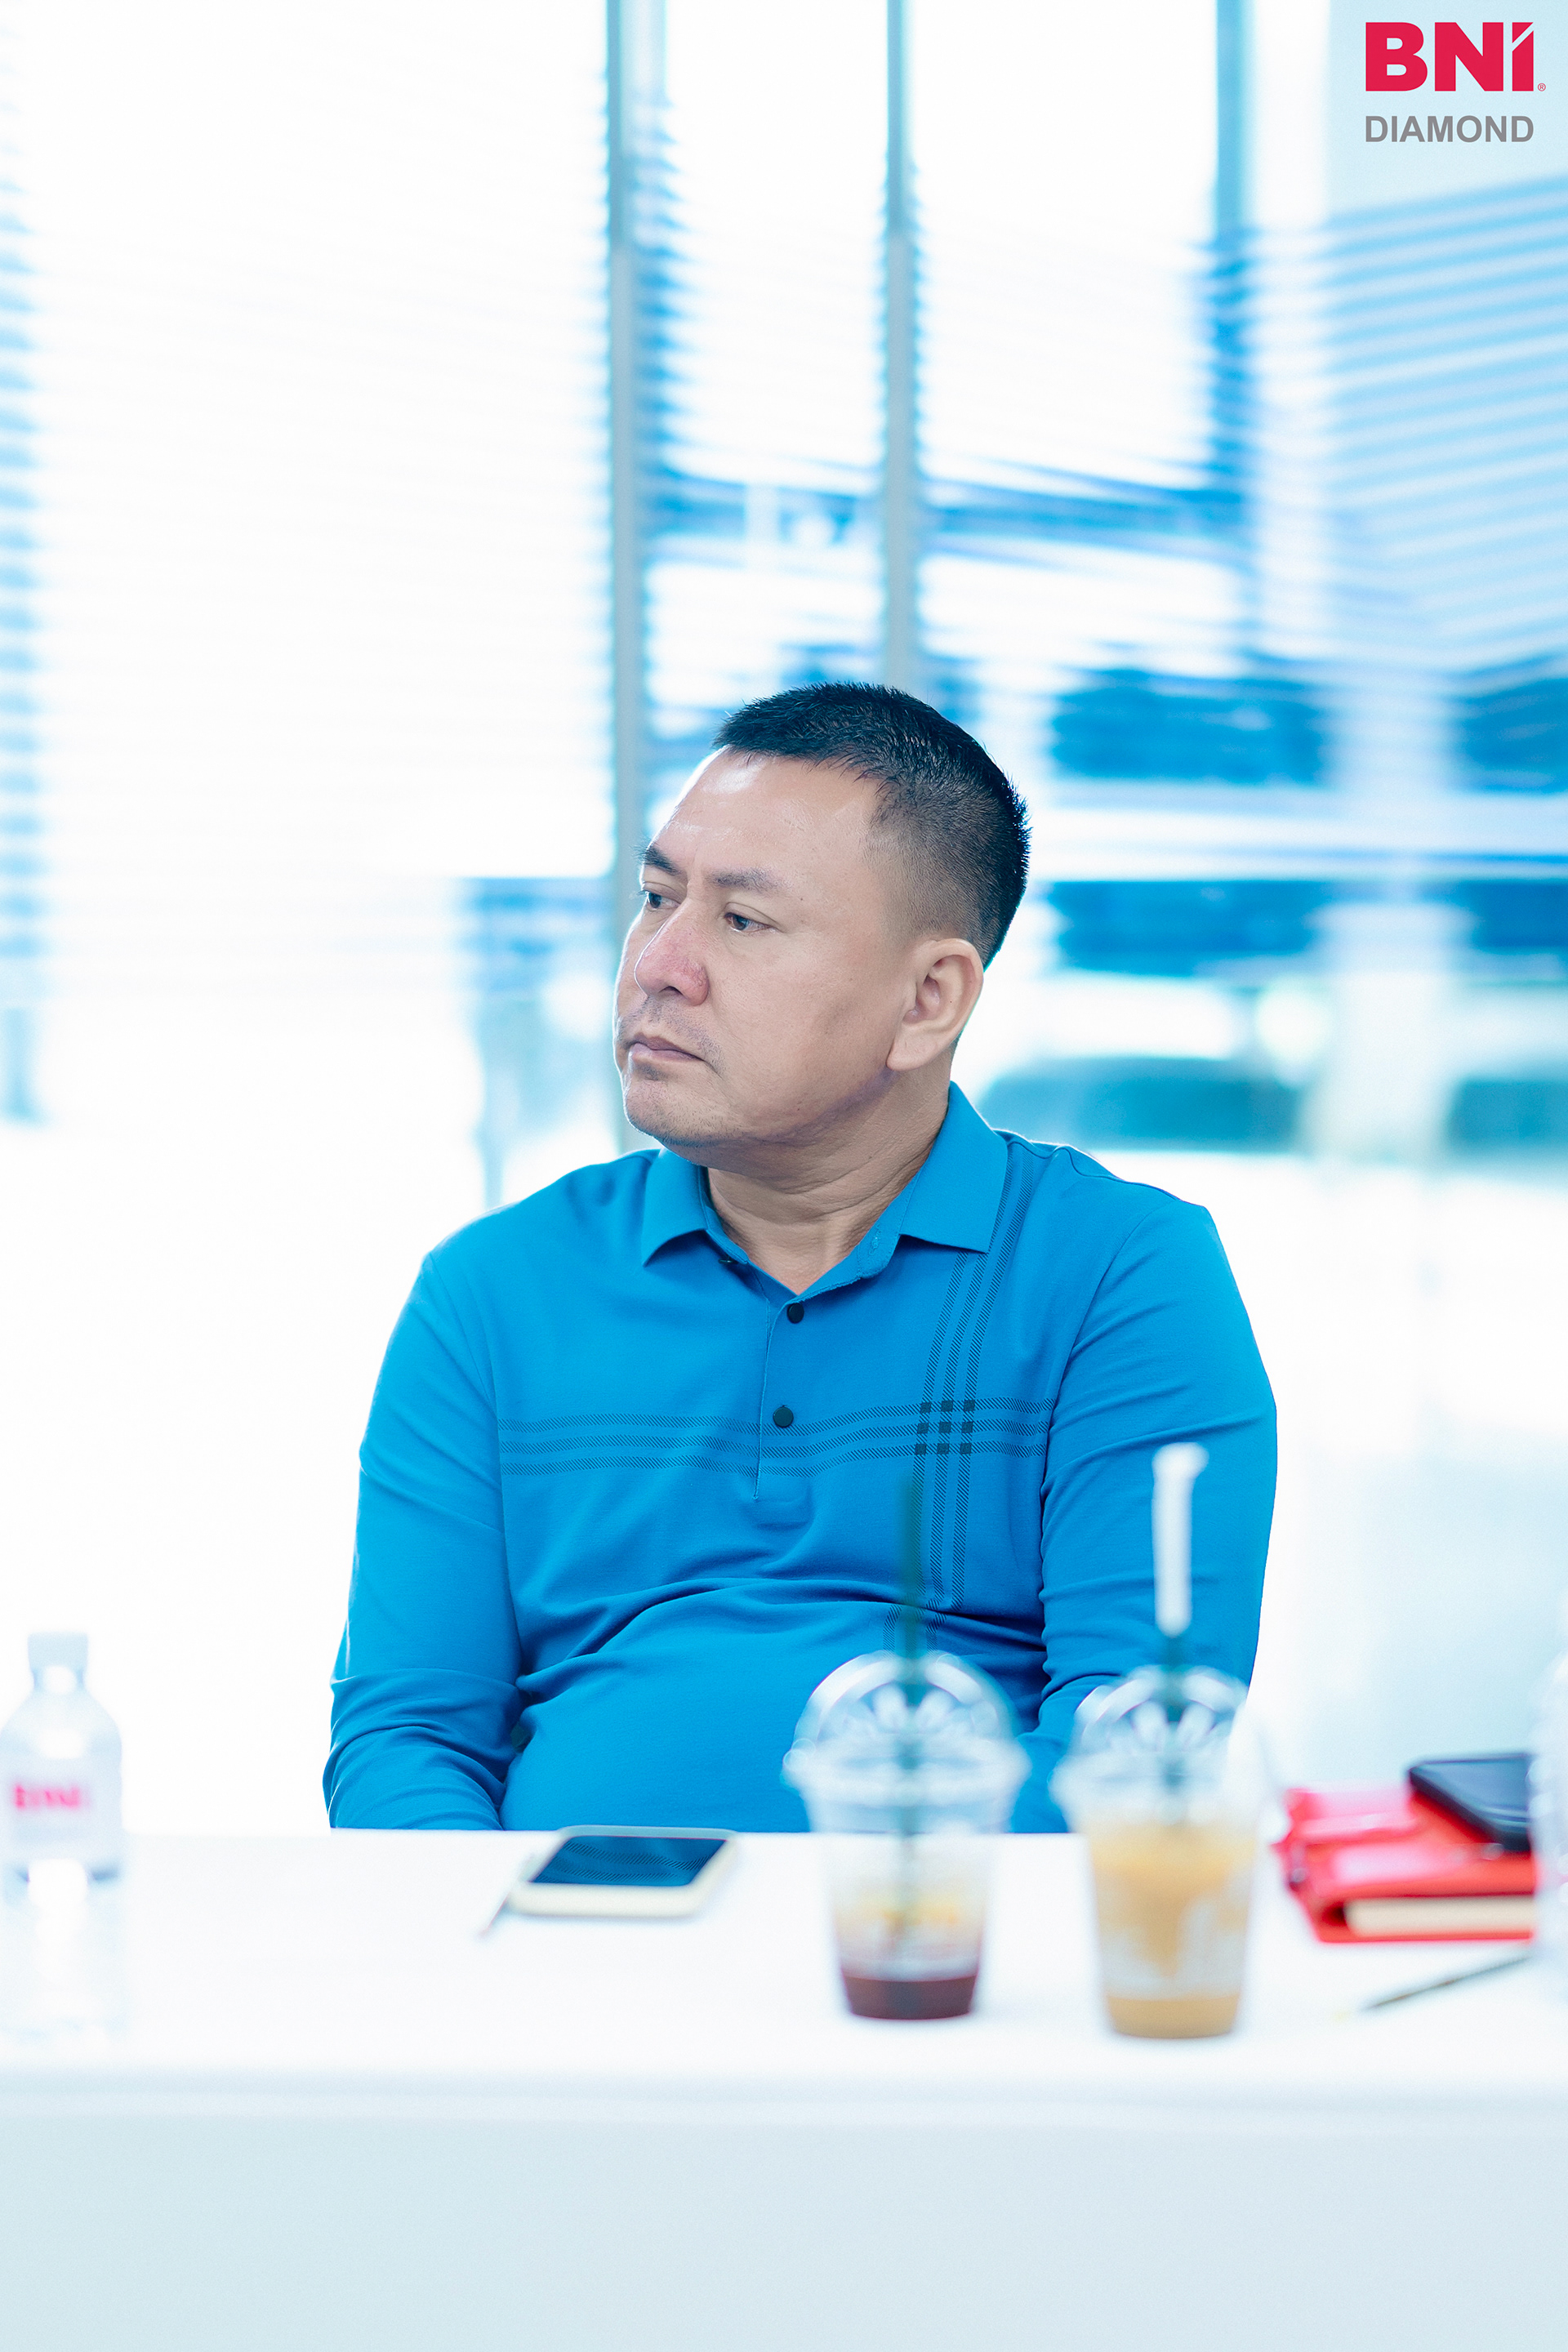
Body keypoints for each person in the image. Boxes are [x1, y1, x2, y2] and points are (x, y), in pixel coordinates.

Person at [324, 683, 1274, 1833]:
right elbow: (408, 1739)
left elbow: (1139, 1748)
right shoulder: (491, 1290)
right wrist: (510, 1936)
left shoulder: (1122, 1275)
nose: (659, 965)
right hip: (568, 1931)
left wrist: (879, 1913)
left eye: (743, 921)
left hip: (945, 1936)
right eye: (657, 898)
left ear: (927, 1001)